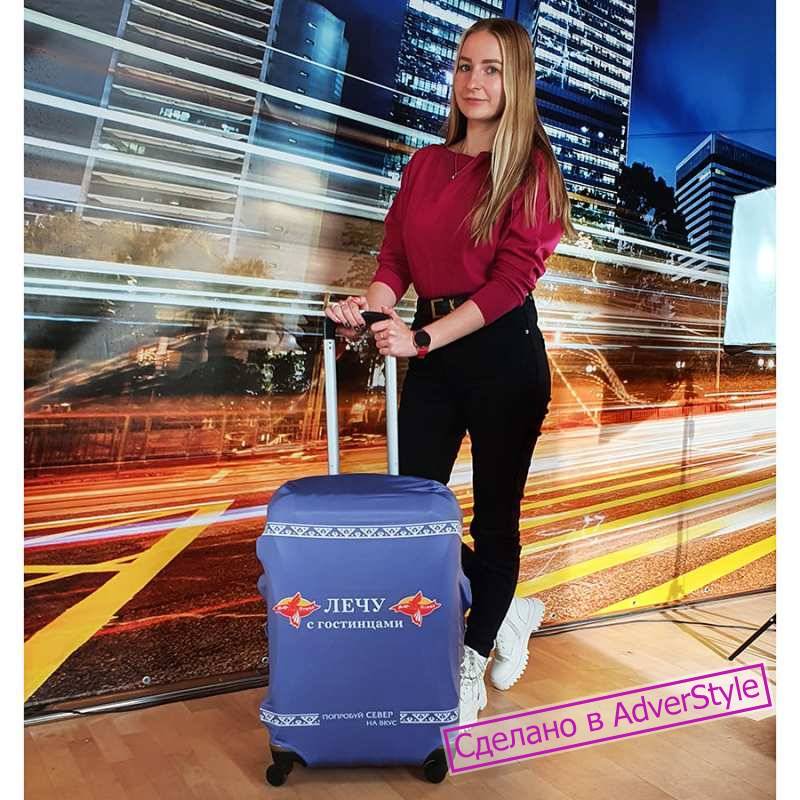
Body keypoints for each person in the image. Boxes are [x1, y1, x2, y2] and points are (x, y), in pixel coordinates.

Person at [324, 18, 577, 724]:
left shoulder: (531, 170)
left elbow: (509, 284)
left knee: (495, 521)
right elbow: (395, 262)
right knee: (412, 512)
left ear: (515, 79)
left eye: (492, 68)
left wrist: (422, 339)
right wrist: (370, 309)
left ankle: (473, 655)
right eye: (465, 65)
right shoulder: (426, 165)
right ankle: (510, 606)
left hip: (501, 357)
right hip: (430, 353)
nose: (474, 81)